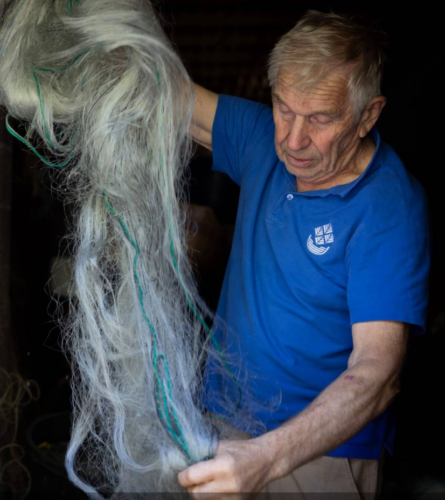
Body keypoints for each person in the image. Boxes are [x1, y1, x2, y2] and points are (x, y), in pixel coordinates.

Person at [177, 11, 430, 499]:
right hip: (223, 426)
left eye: (319, 118)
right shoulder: (261, 142)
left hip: (319, 457)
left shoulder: (388, 207)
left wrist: (267, 457)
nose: (292, 141)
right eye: (283, 108)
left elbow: (378, 373)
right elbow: (172, 99)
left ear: (368, 115)